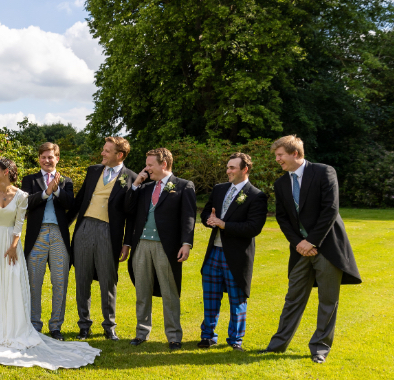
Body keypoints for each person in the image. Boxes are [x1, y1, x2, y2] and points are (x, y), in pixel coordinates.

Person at [0, 159, 100, 370]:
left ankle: (11, 329)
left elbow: (19, 224)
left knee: (11, 286)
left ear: (6, 172)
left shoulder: (22, 196)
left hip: (11, 245)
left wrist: (13, 247)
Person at [261, 135, 361, 363]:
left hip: (327, 248)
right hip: (299, 250)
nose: (277, 159)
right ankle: (277, 346)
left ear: (295, 153)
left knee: (328, 300)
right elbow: (282, 218)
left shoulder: (324, 172)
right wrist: (299, 243)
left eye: (280, 155)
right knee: (292, 298)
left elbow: (330, 209)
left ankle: (320, 349)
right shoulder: (281, 183)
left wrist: (312, 241)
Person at [67, 136, 138, 341]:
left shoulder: (131, 177)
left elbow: (131, 215)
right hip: (84, 228)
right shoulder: (93, 171)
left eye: (107, 151)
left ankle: (109, 326)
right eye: (103, 149)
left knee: (108, 280)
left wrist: (127, 243)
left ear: (120, 155)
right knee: (82, 278)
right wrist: (64, 225)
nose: (102, 153)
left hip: (109, 232)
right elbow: (80, 200)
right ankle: (84, 325)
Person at [125, 148, 196, 349]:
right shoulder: (144, 187)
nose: (146, 168)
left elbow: (189, 217)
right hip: (141, 245)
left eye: (150, 165)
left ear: (163, 164)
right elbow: (128, 209)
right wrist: (136, 185)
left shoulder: (184, 186)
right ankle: (141, 333)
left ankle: (174, 336)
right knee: (142, 292)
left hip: (166, 247)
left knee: (169, 293)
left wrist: (186, 243)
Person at [198, 153, 268, 350]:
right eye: (227, 167)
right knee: (210, 297)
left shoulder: (256, 195)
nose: (227, 171)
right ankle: (207, 336)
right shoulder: (219, 189)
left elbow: (253, 228)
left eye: (232, 168)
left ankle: (235, 340)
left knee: (237, 300)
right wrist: (209, 220)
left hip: (237, 256)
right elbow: (206, 212)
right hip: (214, 252)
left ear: (245, 169)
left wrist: (224, 224)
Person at [21, 142, 74, 340]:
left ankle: (56, 326)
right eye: (43, 157)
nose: (46, 160)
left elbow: (71, 204)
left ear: (57, 158)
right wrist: (46, 192)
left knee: (60, 282)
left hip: (59, 234)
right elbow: (25, 202)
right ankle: (34, 325)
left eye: (50, 157)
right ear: (39, 159)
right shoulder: (30, 180)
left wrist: (57, 190)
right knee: (34, 282)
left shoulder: (66, 181)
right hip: (38, 234)